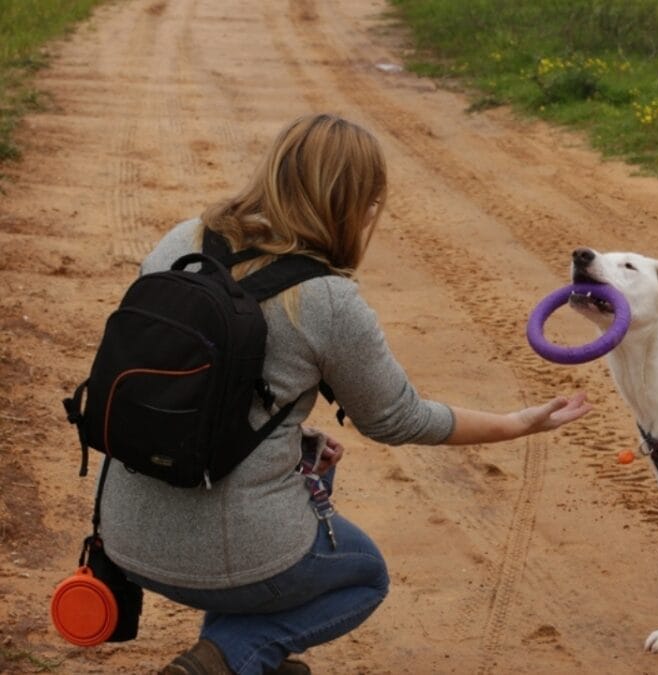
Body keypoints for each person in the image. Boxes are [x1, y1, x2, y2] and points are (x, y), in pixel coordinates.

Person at [97, 113, 592, 675]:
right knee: (362, 576)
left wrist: (288, 432)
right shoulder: (326, 299)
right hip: (225, 555)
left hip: (121, 537)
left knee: (312, 462)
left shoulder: (180, 240)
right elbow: (398, 419)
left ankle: (246, 657)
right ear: (353, 204)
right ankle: (226, 658)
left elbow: (178, 379)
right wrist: (517, 423)